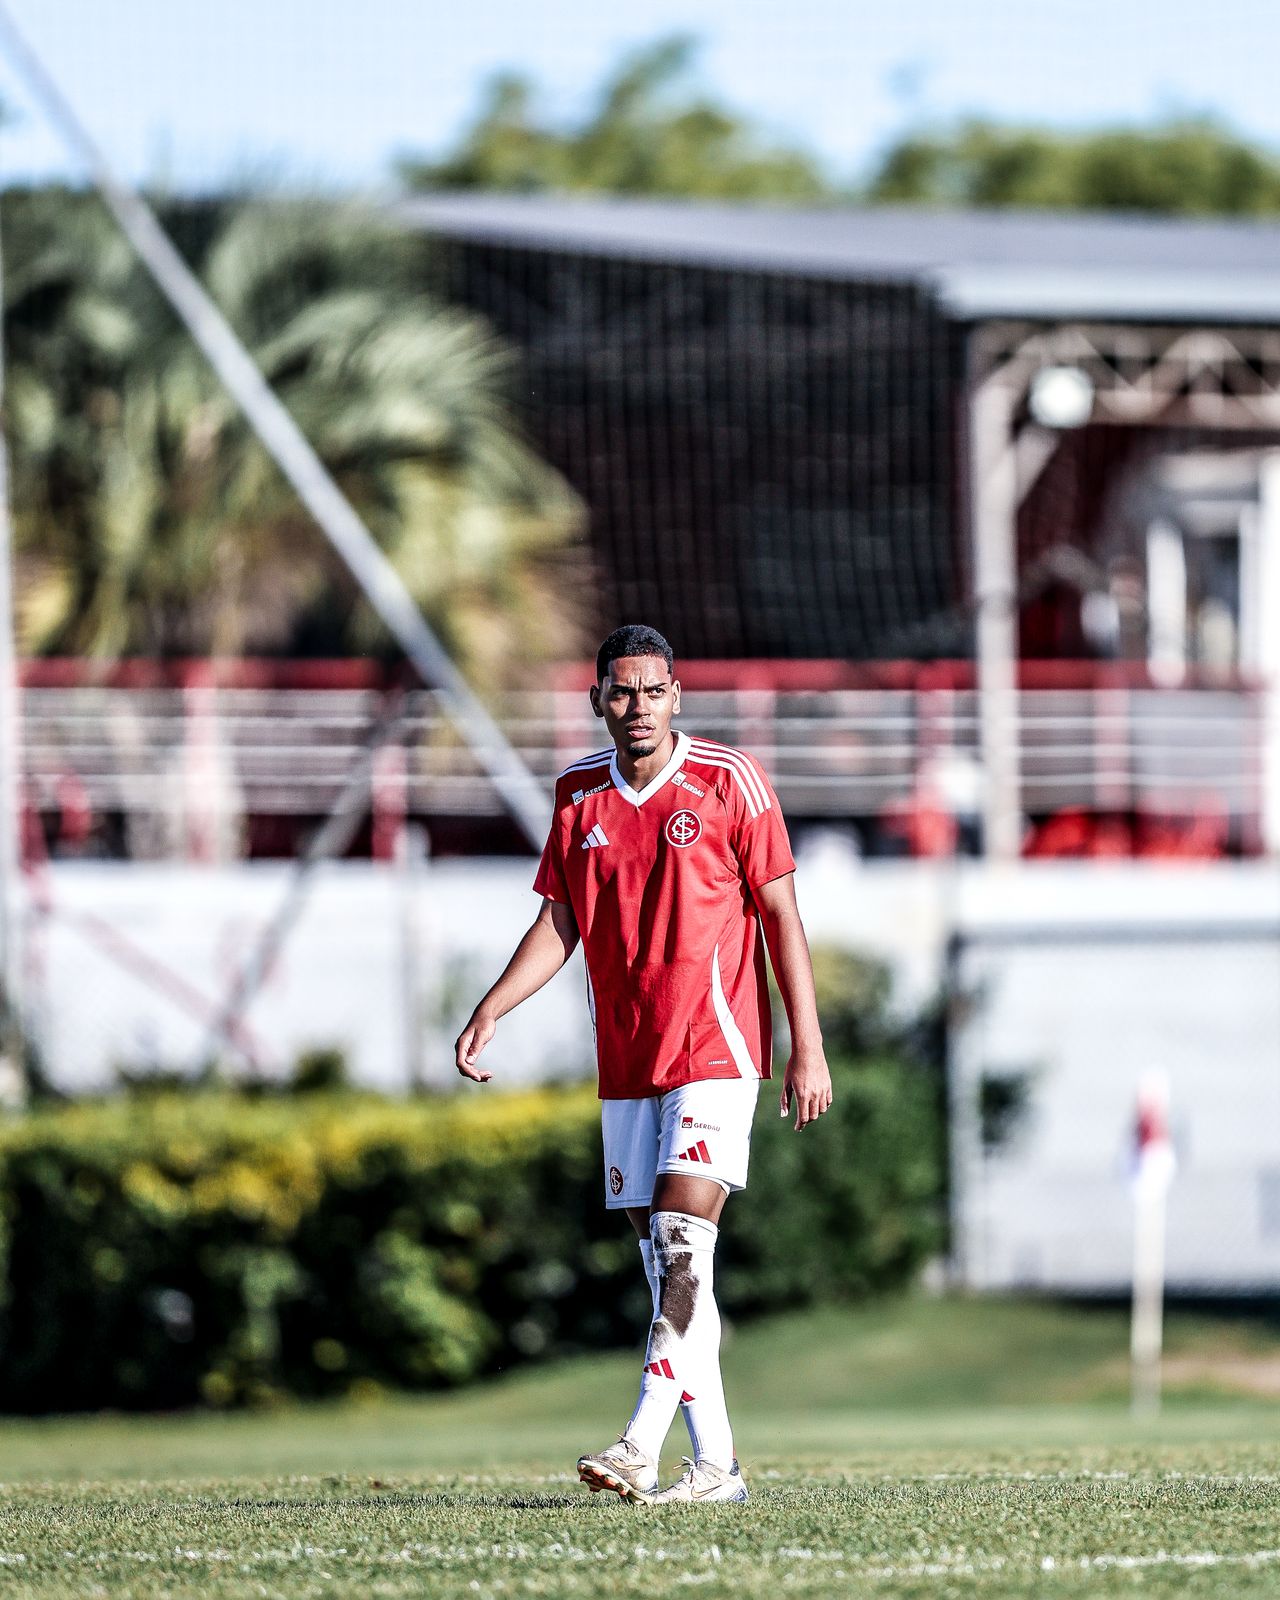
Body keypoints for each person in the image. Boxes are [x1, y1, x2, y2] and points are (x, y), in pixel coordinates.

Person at [455, 624, 832, 1505]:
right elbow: (560, 923)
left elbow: (781, 914)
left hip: (716, 1048)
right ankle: (718, 1469)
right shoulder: (578, 794)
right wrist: (492, 1007)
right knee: (672, 1272)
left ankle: (637, 1445)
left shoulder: (731, 781)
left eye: (653, 690)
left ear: (676, 696)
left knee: (679, 1241)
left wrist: (806, 1047)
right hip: (627, 1060)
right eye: (621, 692)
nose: (638, 706)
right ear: (597, 699)